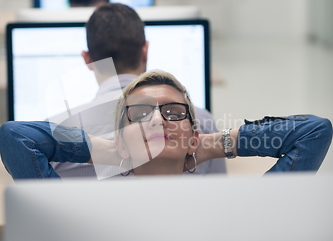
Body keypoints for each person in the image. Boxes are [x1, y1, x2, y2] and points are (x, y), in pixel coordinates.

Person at [0, 70, 331, 180]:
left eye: (173, 112)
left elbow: (313, 132)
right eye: (141, 114)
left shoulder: (232, 209)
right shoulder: (82, 213)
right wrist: (113, 150)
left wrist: (213, 144)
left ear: (193, 132)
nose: (158, 119)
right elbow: (16, 137)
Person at [51, 3, 227, 178]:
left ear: (87, 59)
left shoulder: (54, 133)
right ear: (145, 51)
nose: (158, 122)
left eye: (173, 114)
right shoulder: (203, 122)